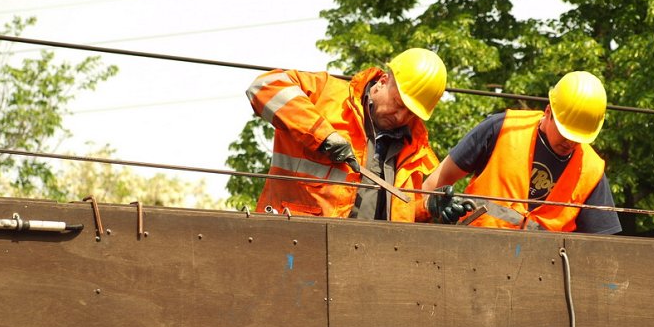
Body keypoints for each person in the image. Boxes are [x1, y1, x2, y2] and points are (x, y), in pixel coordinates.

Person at [246, 48, 447, 221]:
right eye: (398, 103)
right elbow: (263, 86)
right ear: (383, 82)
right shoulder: (326, 94)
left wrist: (428, 208)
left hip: (373, 256)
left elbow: (399, 213)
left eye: (411, 113)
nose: (401, 116)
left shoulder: (414, 149)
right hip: (296, 239)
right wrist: (321, 135)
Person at [423, 71, 622, 233]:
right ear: (548, 111)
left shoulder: (591, 170)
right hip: (474, 253)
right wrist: (433, 206)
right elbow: (432, 185)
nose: (570, 142)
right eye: (565, 132)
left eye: (579, 137)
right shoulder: (502, 129)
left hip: (543, 270)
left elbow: (603, 246)